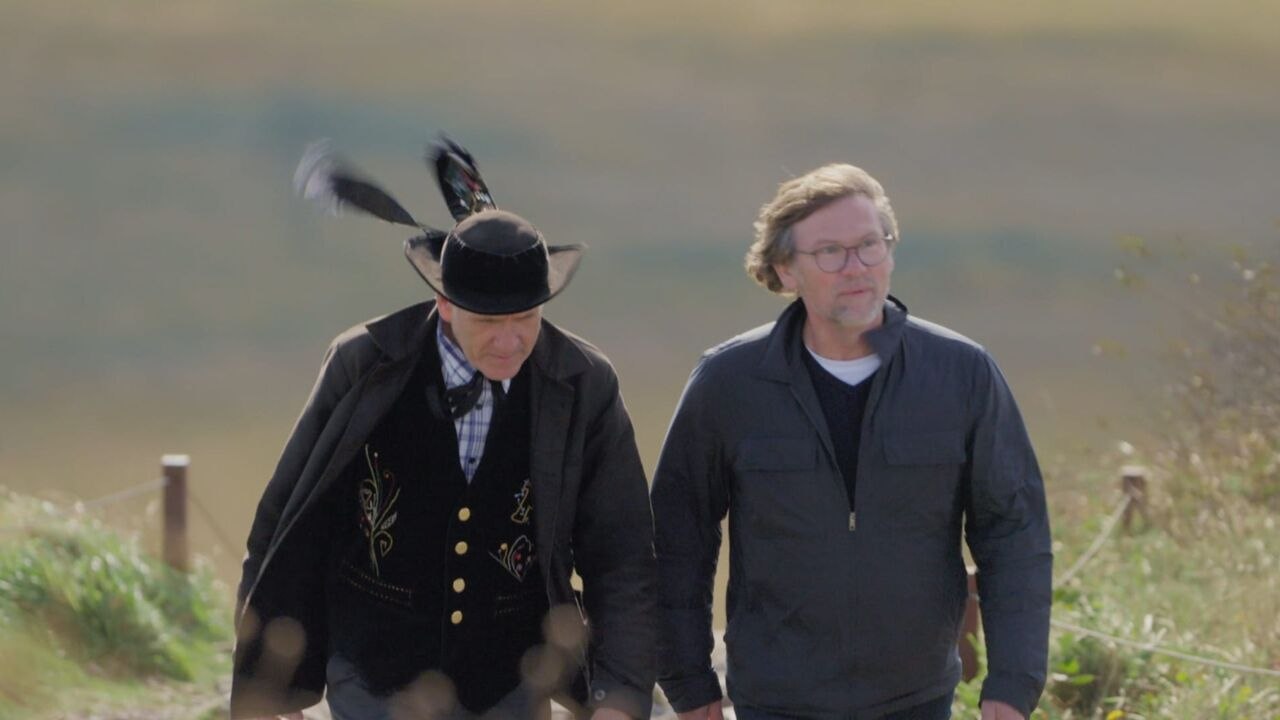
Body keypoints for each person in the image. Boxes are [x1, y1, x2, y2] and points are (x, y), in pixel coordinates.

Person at [651, 164, 1052, 720]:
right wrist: (691, 689)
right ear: (785, 270)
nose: (857, 267)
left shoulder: (962, 374)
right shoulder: (728, 382)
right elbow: (677, 542)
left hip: (917, 699)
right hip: (775, 700)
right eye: (831, 252)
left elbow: (1014, 535)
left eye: (870, 245)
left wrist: (1011, 690)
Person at [231, 204, 657, 720]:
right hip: (372, 675)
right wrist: (268, 690)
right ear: (446, 303)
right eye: (490, 320)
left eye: (525, 317)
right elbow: (291, 521)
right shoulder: (363, 364)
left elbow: (622, 552)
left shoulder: (585, 382)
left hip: (514, 682)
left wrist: (619, 695)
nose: (510, 340)